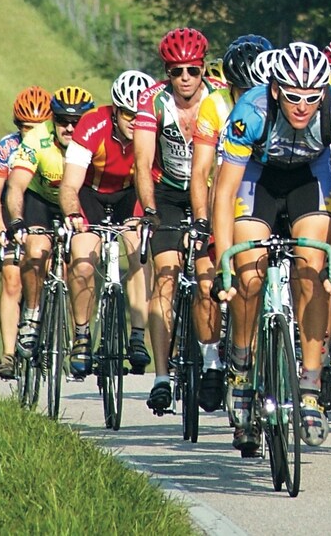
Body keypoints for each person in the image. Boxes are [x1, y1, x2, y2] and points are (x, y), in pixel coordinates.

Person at [213, 42, 331, 454]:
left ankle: (310, 383)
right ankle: (242, 367)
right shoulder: (252, 111)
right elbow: (224, 193)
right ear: (275, 90)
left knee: (312, 266)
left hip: (308, 181)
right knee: (248, 271)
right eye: (293, 96)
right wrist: (225, 261)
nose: (303, 106)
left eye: (312, 97)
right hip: (257, 179)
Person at [133, 27, 225, 413]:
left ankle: (210, 362)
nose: (185, 78)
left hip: (212, 188)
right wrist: (150, 210)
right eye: (176, 71)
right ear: (166, 73)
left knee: (208, 281)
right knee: (165, 278)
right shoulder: (152, 102)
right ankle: (162, 376)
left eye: (192, 70)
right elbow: (141, 163)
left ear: (203, 69)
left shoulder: (220, 97)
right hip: (168, 192)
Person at [190, 34, 272, 411]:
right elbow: (202, 171)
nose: (247, 98)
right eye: (240, 89)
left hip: (262, 194)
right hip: (220, 194)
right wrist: (204, 222)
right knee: (208, 275)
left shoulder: (280, 103)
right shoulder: (214, 106)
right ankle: (210, 362)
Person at [59, 71, 157, 379]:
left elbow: (152, 183)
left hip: (131, 195)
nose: (133, 120)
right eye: (127, 113)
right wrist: (74, 215)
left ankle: (138, 336)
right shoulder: (92, 124)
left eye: (138, 113)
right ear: (115, 110)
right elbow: (69, 185)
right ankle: (82, 336)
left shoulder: (153, 128)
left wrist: (143, 216)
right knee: (84, 258)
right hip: (91, 196)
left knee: (139, 249)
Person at [5, 86, 95, 359]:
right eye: (62, 121)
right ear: (51, 120)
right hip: (41, 202)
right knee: (35, 251)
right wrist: (17, 221)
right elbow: (16, 185)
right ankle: (31, 315)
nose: (69, 128)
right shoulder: (37, 137)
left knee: (83, 262)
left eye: (76, 122)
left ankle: (81, 333)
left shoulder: (94, 138)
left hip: (80, 202)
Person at [0, 86, 51, 379]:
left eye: (37, 127)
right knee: (12, 280)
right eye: (25, 128)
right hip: (13, 218)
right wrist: (0, 227)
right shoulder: (7, 148)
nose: (30, 133)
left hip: (45, 215)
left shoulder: (55, 145)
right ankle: (9, 353)